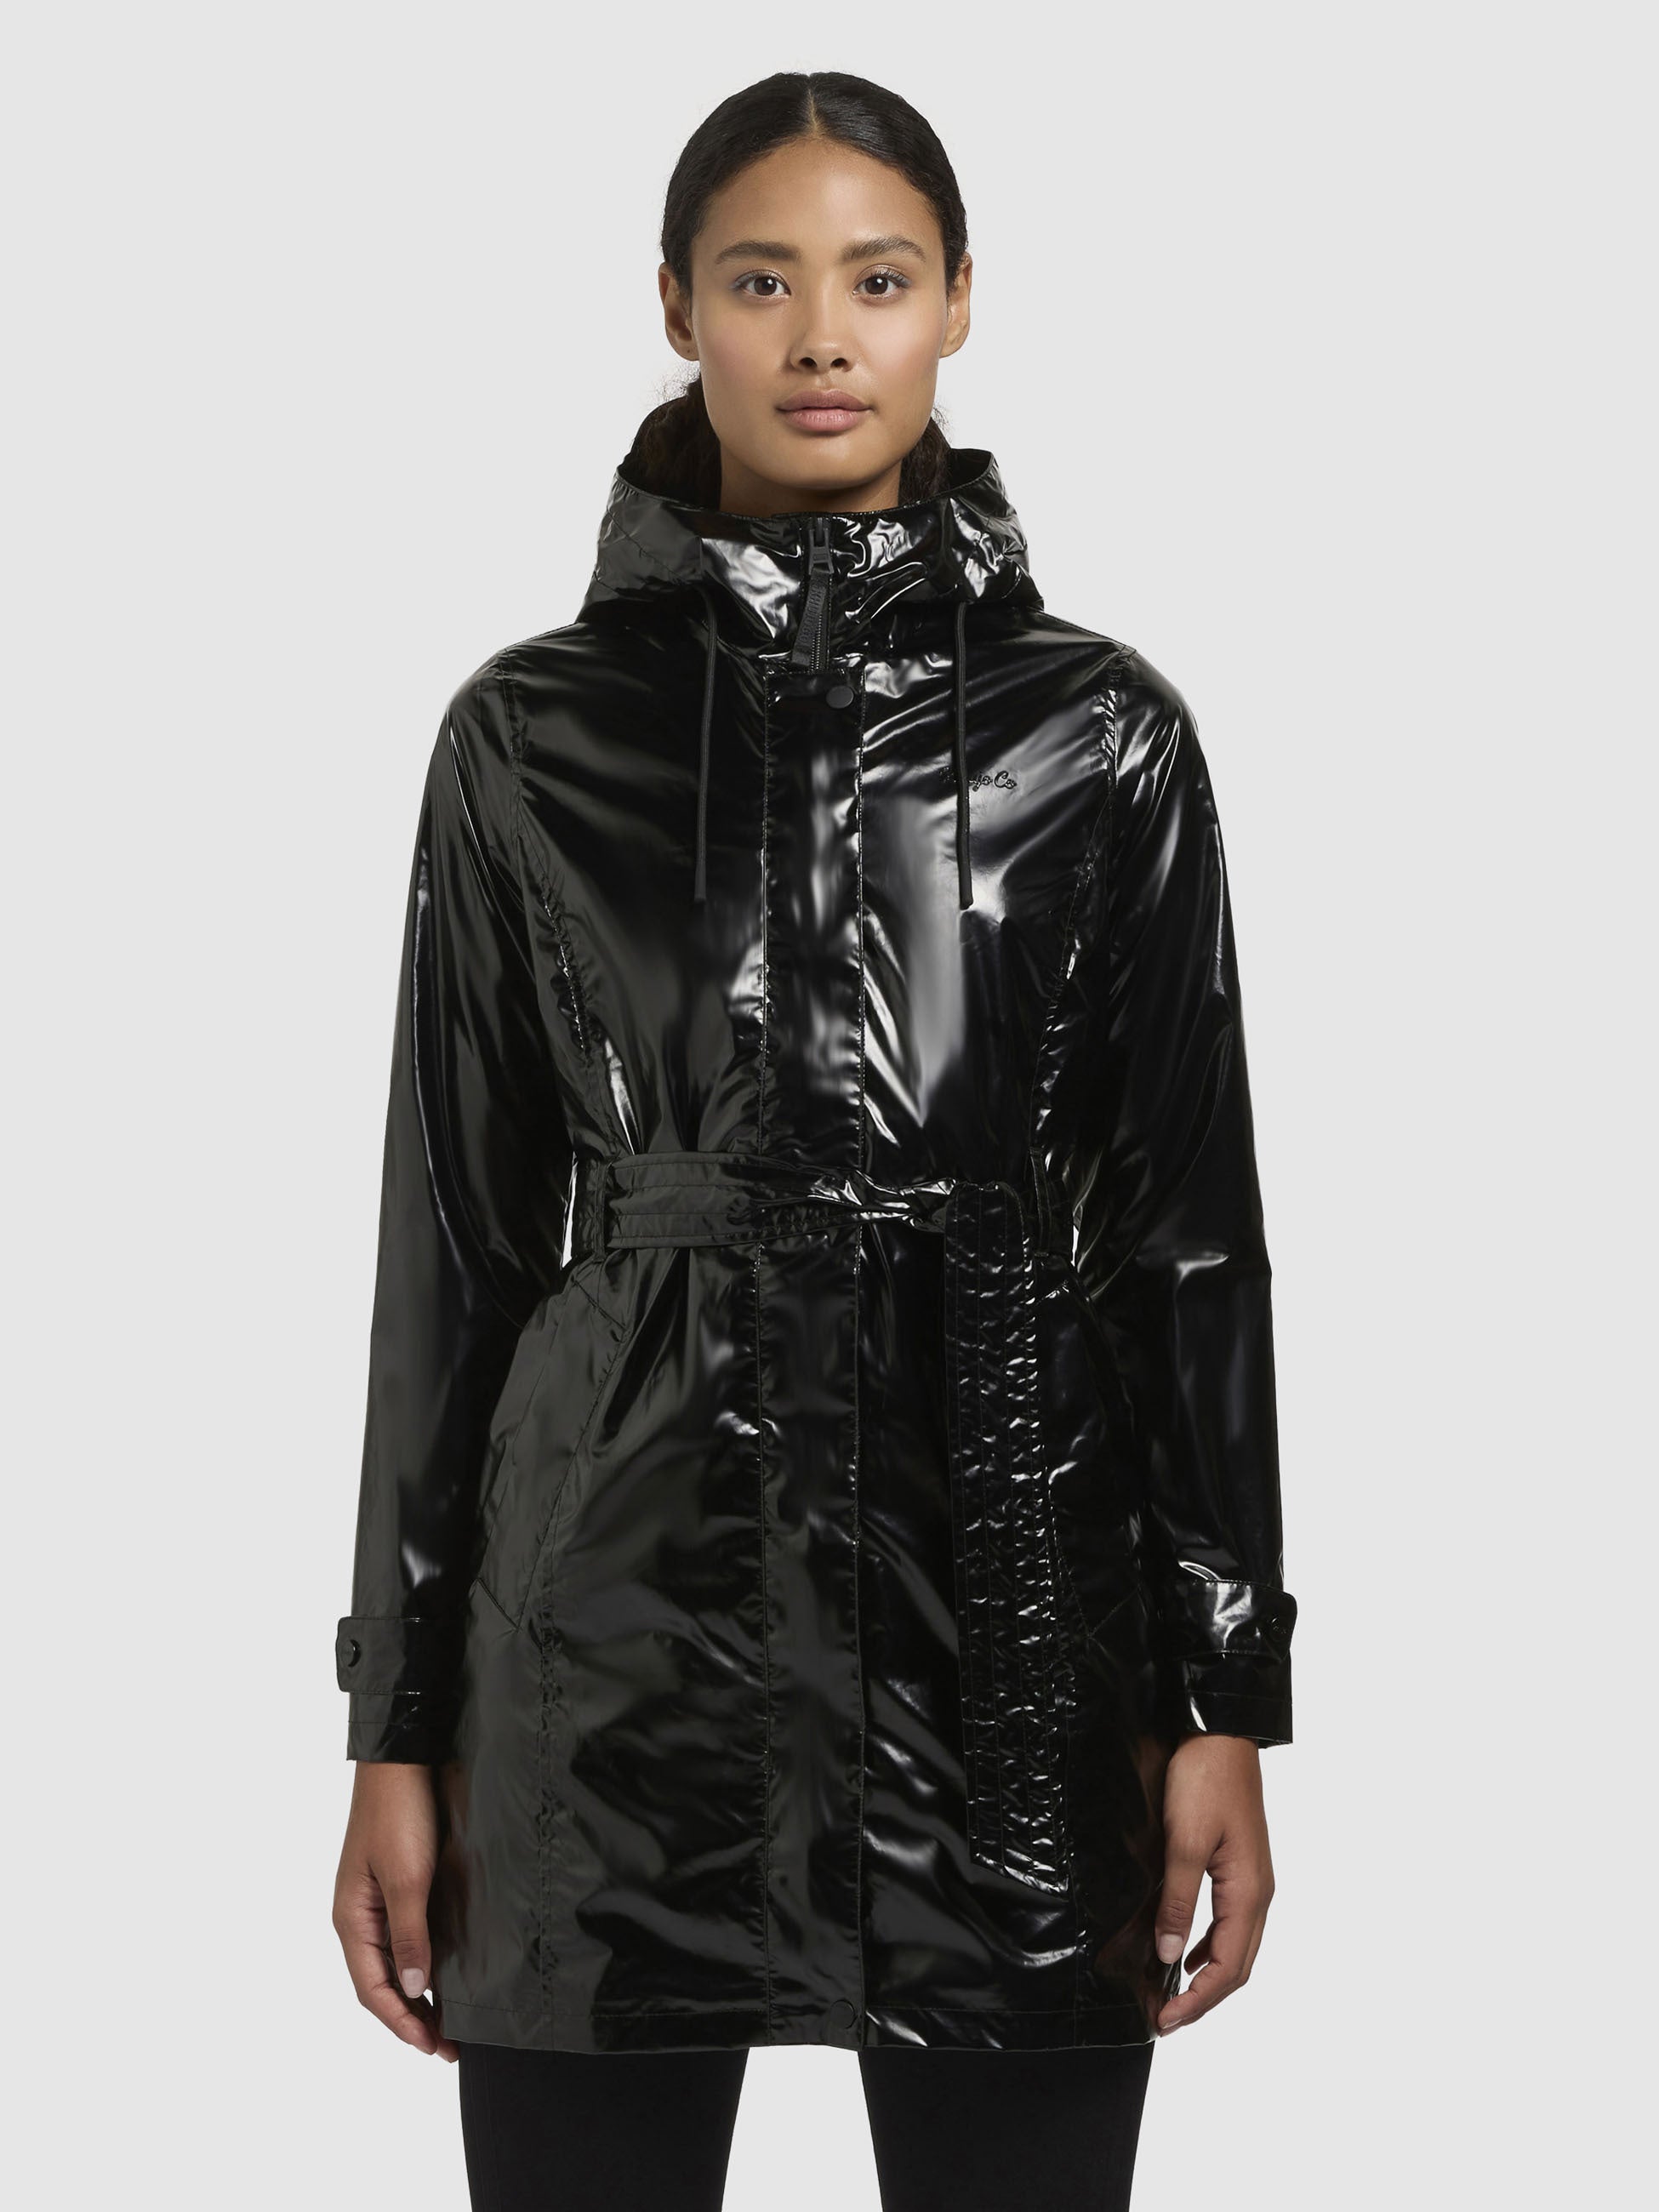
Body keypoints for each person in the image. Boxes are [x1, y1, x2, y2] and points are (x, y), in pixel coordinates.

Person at [332, 69, 1295, 2212]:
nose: (823, 334)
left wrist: (1229, 1691)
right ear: (678, 307)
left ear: (960, 301)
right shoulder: (530, 737)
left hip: (1015, 1634)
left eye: (879, 278)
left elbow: (1184, 1238)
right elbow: (453, 1243)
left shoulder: (1101, 733)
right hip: (604, 1649)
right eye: (762, 281)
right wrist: (396, 1721)